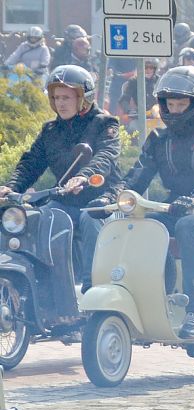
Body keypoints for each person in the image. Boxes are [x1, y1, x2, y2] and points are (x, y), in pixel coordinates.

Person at [112, 66, 194, 338]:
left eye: (182, 104)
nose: (176, 110)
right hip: (173, 208)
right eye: (171, 104)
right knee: (143, 227)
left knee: (188, 227)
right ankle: (161, 295)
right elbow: (136, 177)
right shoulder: (159, 139)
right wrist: (114, 196)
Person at [1, 65, 120, 294]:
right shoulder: (51, 130)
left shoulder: (104, 124)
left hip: (102, 198)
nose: (60, 103)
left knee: (90, 218)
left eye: (66, 97)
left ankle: (92, 290)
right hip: (65, 199)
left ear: (83, 98)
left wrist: (83, 177)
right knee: (40, 218)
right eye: (56, 98)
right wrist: (11, 187)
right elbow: (31, 163)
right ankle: (47, 289)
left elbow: (105, 156)